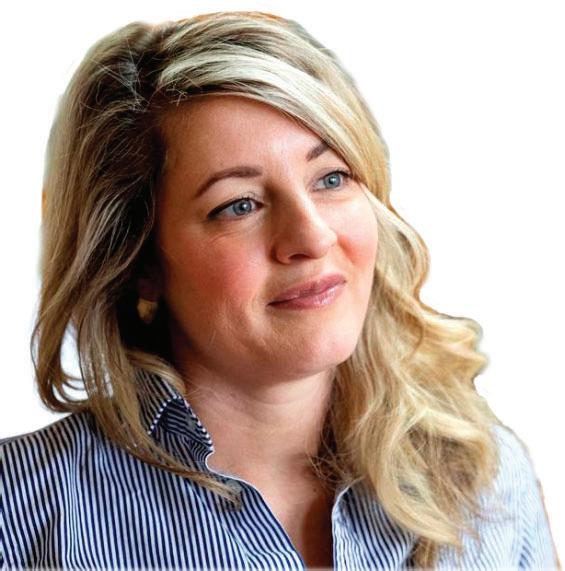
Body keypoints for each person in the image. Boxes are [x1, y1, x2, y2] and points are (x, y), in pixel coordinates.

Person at [0, 10, 559, 571]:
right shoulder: (16, 515)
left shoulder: (485, 478)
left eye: (332, 178)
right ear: (139, 261)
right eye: (239, 205)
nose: (312, 237)